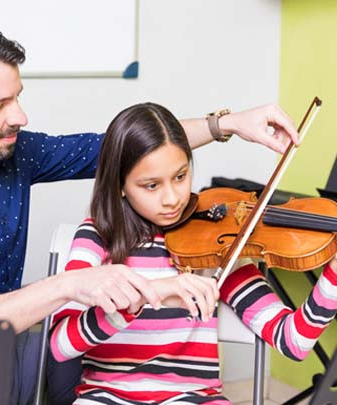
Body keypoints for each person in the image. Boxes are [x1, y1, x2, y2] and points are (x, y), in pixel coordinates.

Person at [0, 20, 300, 405]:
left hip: (11, 349)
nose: (19, 116)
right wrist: (71, 284)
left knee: (100, 363)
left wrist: (226, 124)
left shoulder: (10, 149)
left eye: (17, 97)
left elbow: (117, 149)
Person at [49, 102, 337, 404]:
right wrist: (145, 295)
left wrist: (332, 276)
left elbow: (293, 339)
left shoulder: (216, 242)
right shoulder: (97, 235)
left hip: (194, 398)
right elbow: (59, 345)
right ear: (120, 184)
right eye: (151, 186)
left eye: (180, 176)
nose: (172, 198)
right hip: (107, 397)